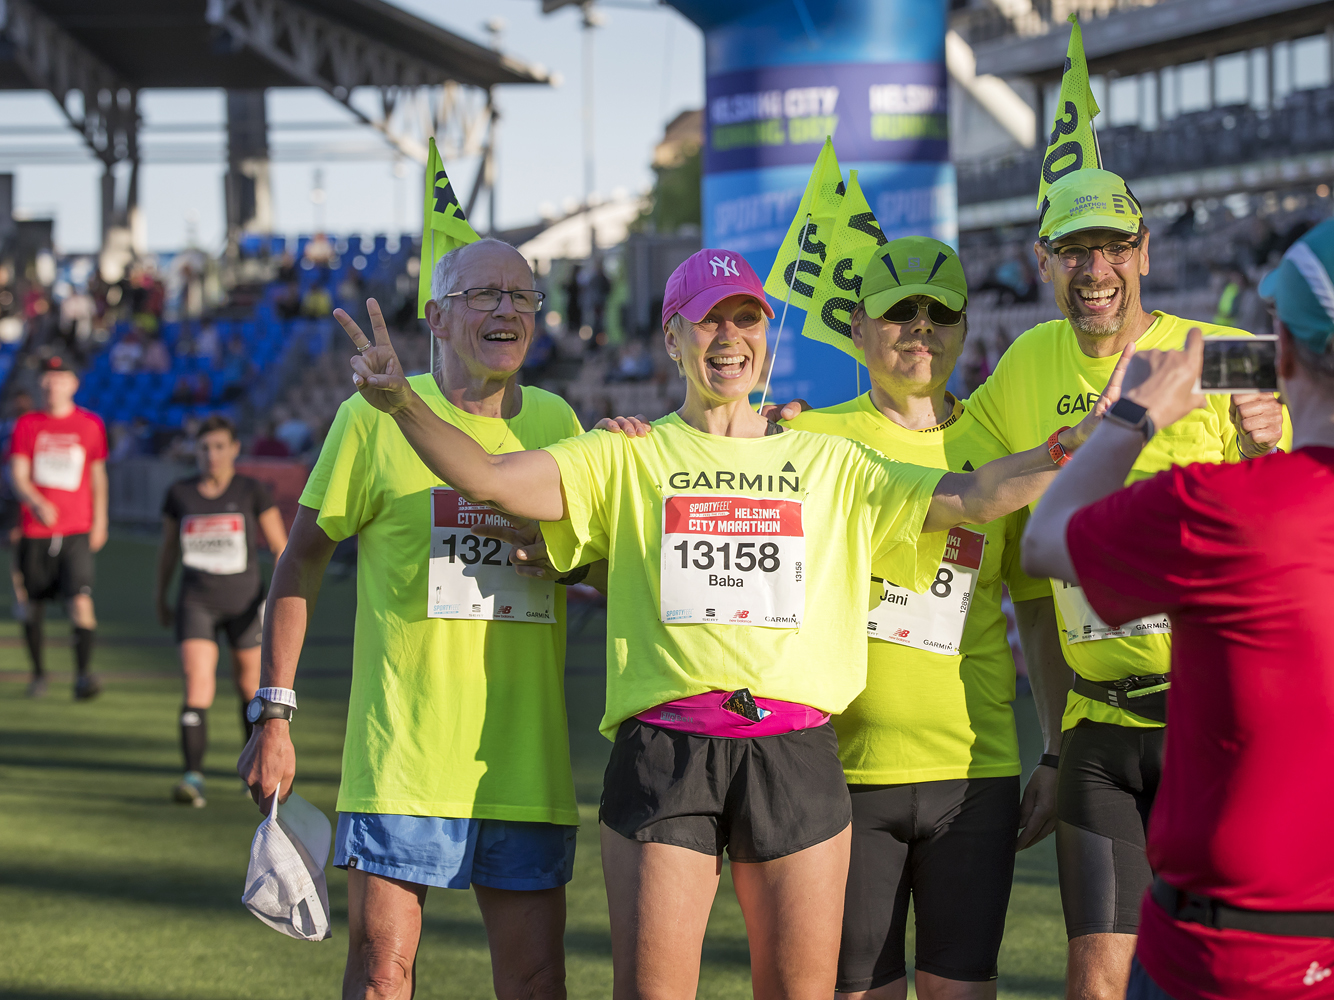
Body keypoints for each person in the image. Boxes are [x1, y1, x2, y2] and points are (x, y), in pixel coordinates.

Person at [340, 246, 1113, 1000]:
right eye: (709, 321)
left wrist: (1064, 446)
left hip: (797, 751)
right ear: (673, 335)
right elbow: (493, 477)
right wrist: (403, 403)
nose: (729, 338)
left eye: (747, 319)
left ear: (766, 337)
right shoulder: (626, 455)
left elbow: (973, 496)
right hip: (665, 751)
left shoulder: (829, 462)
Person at [947, 169, 1286, 999]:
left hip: (1214, 722)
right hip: (1100, 731)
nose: (1094, 271)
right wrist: (800, 434)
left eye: (1111, 249)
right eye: (1072, 251)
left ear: (1143, 252)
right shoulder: (1026, 361)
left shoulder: (1223, 350)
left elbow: (1304, 504)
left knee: (1230, 970)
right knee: (1096, 978)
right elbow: (951, 456)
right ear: (1041, 261)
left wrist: (1267, 445)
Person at [239, 238, 598, 1000]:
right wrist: (274, 713)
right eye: (484, 295)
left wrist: (564, 556)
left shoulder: (562, 422)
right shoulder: (370, 418)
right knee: (380, 975)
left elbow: (597, 564)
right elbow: (298, 560)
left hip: (522, 763)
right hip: (401, 757)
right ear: (435, 316)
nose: (508, 309)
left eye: (522, 296)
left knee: (537, 983)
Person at [1021, 218, 1334, 999]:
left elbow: (1047, 538)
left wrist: (1134, 416)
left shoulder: (1228, 511)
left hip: (1221, 953)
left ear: (1283, 355)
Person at [782, 237, 1072, 999]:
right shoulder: (807, 441)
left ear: (965, 329)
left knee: (963, 990)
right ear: (857, 329)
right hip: (841, 772)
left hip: (975, 773)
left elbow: (1036, 613)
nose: (920, 328)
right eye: (899, 312)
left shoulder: (1001, 449)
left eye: (939, 312)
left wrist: (1055, 752)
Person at [156, 415, 288, 808]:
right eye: (204, 448)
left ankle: (253, 768)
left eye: (218, 447)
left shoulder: (251, 492)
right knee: (197, 684)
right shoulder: (179, 494)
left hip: (246, 603)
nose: (211, 455)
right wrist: (160, 596)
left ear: (233, 450)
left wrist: (280, 604)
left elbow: (283, 550)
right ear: (194, 452)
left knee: (249, 688)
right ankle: (192, 778)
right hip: (196, 602)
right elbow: (167, 552)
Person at [8, 356, 109, 699]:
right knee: (30, 603)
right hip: (34, 531)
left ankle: (84, 676)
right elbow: (17, 474)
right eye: (48, 378)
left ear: (74, 384)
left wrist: (101, 519)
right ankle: (39, 675)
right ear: (41, 384)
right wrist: (36, 501)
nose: (54, 385)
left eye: (61, 378)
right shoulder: (27, 425)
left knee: (80, 601)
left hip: (76, 530)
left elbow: (98, 475)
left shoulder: (90, 425)